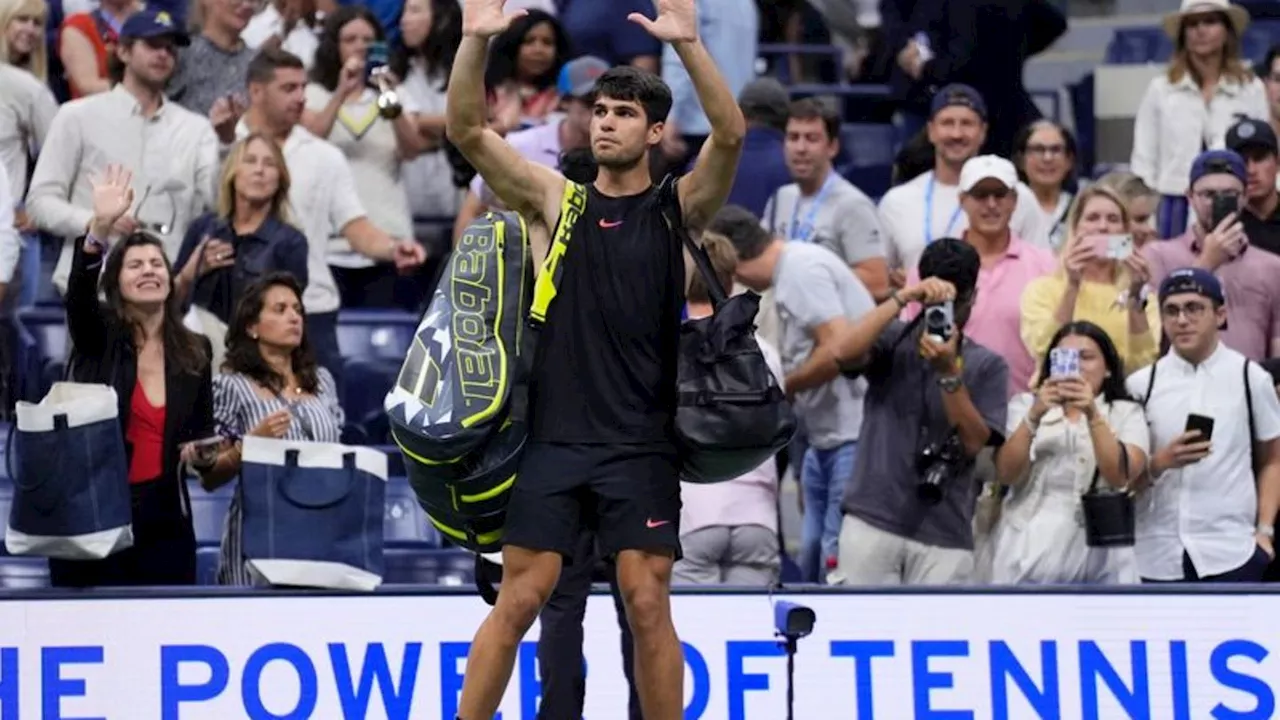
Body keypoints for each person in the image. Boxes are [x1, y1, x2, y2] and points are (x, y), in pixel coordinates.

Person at [443, 0, 745, 716]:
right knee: (518, 598)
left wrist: (692, 47)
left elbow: (730, 134)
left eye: (624, 113)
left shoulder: (679, 208)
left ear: (655, 131)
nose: (606, 121)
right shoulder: (555, 200)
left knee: (647, 601)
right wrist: (475, 39)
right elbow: (465, 129)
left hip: (640, 444)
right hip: (554, 439)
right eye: (600, 110)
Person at [52, 164, 215, 587]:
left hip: (165, 525)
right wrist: (99, 231)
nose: (148, 270)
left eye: (157, 264)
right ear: (116, 281)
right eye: (135, 265)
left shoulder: (196, 351)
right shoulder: (97, 335)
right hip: (94, 518)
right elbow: (79, 297)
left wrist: (206, 453)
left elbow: (201, 435)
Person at [829, 238, 1010, 585]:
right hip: (873, 518)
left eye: (954, 304)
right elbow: (841, 353)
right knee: (864, 636)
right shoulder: (892, 338)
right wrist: (902, 298)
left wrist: (948, 375)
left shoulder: (989, 365)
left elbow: (974, 443)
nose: (947, 313)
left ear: (971, 298)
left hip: (945, 532)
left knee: (938, 640)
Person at [712, 204, 875, 583]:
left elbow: (838, 349)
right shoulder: (794, 267)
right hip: (823, 435)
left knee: (834, 564)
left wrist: (782, 390)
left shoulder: (801, 270)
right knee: (814, 558)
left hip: (851, 433)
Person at [27, 9, 220, 298]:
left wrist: (227, 142)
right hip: (93, 286)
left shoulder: (196, 128)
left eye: (170, 48)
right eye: (153, 45)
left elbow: (215, 204)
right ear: (123, 51)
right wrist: (95, 221)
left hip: (166, 288)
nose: (163, 54)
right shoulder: (78, 116)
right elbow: (39, 203)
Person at [1127, 268, 1280, 582]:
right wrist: (1160, 463)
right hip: (1155, 552)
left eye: (1194, 308)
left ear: (1220, 314)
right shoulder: (1142, 384)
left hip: (1231, 551)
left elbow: (1273, 460)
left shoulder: (1251, 377)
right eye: (1171, 310)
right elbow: (1122, 475)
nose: (1182, 320)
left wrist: (1264, 531)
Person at [198, 272, 344, 585]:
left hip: (320, 529)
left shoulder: (323, 382)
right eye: (280, 310)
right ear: (252, 326)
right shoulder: (231, 387)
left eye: (297, 310)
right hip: (258, 535)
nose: (294, 317)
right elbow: (210, 477)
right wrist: (250, 445)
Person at [987, 321, 1148, 584]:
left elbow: (1121, 476)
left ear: (1107, 368)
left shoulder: (1125, 412)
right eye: (1065, 357)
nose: (1076, 366)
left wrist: (1093, 415)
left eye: (1086, 357)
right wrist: (1034, 416)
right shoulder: (1024, 405)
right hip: (1028, 540)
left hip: (1100, 546)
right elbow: (1006, 474)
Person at [1131, 0, 1267, 239]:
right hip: (1172, 205)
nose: (1201, 30)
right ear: (1183, 35)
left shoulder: (1250, 87)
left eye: (1210, 21)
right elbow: (1144, 161)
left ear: (1227, 31)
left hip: (1235, 202)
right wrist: (1146, 217)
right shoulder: (1161, 89)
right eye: (1193, 24)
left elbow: (1263, 150)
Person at [175, 133, 308, 368]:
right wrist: (189, 273)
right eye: (250, 161)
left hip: (258, 363)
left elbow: (289, 314)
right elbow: (169, 304)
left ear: (280, 178)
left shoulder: (291, 242)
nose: (259, 170)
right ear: (233, 172)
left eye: (269, 164)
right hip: (197, 357)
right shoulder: (203, 229)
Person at [1142, 149, 1280, 361]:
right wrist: (1206, 262)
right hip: (1182, 385)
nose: (1217, 203)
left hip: (1249, 386)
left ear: (1244, 197)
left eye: (1229, 195)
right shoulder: (1158, 255)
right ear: (1190, 197)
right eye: (1208, 195)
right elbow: (1152, 336)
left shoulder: (1271, 266)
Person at [1020, 185, 1160, 376]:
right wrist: (1072, 286)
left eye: (1113, 219)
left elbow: (1144, 363)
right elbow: (1044, 350)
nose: (1103, 227)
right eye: (1093, 218)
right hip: (1059, 395)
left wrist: (1135, 295)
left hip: (1120, 399)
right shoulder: (1041, 289)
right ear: (1075, 228)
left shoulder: (1144, 298)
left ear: (1125, 231)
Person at [1011, 119, 1078, 251]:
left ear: (1069, 160)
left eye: (1056, 150)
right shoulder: (1007, 208)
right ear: (1021, 160)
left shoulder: (1082, 209)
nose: (1047, 158)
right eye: (1038, 149)